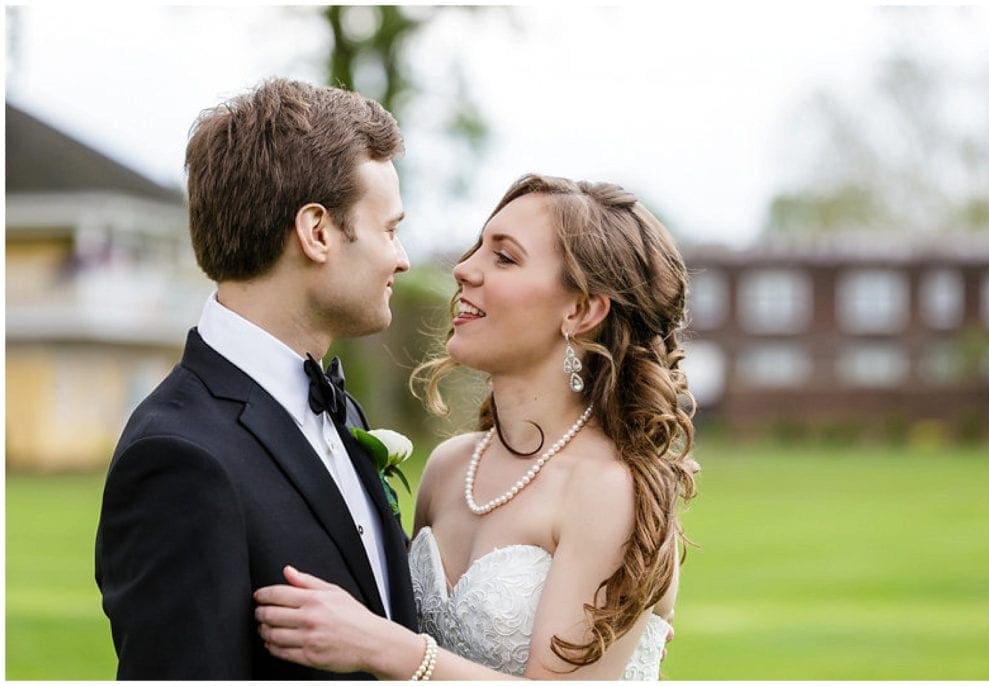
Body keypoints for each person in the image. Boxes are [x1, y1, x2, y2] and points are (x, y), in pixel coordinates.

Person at [254, 173, 700, 679]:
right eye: (477, 248)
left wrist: (383, 648)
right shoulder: (450, 467)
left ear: (580, 309)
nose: (464, 269)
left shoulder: (609, 488)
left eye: (504, 257)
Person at [94, 78, 416, 679]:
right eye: (390, 229)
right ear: (316, 232)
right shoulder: (180, 456)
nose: (402, 258)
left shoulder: (337, 409)